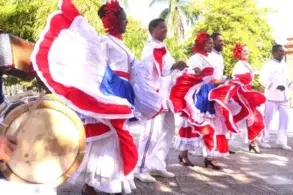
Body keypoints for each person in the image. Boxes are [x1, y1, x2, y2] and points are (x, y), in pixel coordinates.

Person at [31, 0, 139, 194]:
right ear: (113, 20)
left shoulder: (122, 44)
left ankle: (105, 183)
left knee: (113, 139)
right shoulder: (105, 42)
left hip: (122, 90)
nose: (126, 23)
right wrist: (104, 93)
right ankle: (91, 185)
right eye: (123, 19)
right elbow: (95, 65)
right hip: (108, 91)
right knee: (105, 137)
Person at [172, 31, 238, 169]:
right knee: (193, 124)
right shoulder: (195, 58)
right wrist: (196, 74)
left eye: (212, 43)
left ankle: (210, 156)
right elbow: (189, 74)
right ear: (201, 43)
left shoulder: (212, 58)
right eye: (208, 43)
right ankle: (184, 154)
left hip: (211, 92)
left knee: (211, 124)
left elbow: (215, 76)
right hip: (199, 93)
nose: (211, 46)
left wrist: (223, 81)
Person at [134, 18, 185, 183]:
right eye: (162, 27)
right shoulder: (150, 49)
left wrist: (179, 68)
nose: (165, 29)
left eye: (166, 27)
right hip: (156, 98)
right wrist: (150, 98)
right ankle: (141, 168)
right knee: (151, 133)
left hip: (167, 97)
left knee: (168, 131)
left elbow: (166, 70)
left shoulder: (163, 47)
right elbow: (150, 74)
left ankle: (157, 164)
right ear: (152, 29)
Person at [259, 44, 293, 150]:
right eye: (280, 51)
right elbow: (262, 79)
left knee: (285, 119)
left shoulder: (285, 65)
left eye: (283, 51)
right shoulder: (268, 65)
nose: (283, 53)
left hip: (284, 97)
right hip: (271, 97)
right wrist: (275, 87)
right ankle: (264, 140)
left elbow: (287, 80)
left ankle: (281, 141)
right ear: (274, 53)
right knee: (268, 120)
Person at [229, 43, 266, 154]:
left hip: (248, 93)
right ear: (238, 53)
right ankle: (226, 143)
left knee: (254, 117)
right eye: (244, 51)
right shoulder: (238, 65)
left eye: (247, 51)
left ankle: (253, 142)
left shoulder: (247, 64)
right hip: (240, 94)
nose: (247, 53)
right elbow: (236, 79)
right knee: (237, 118)